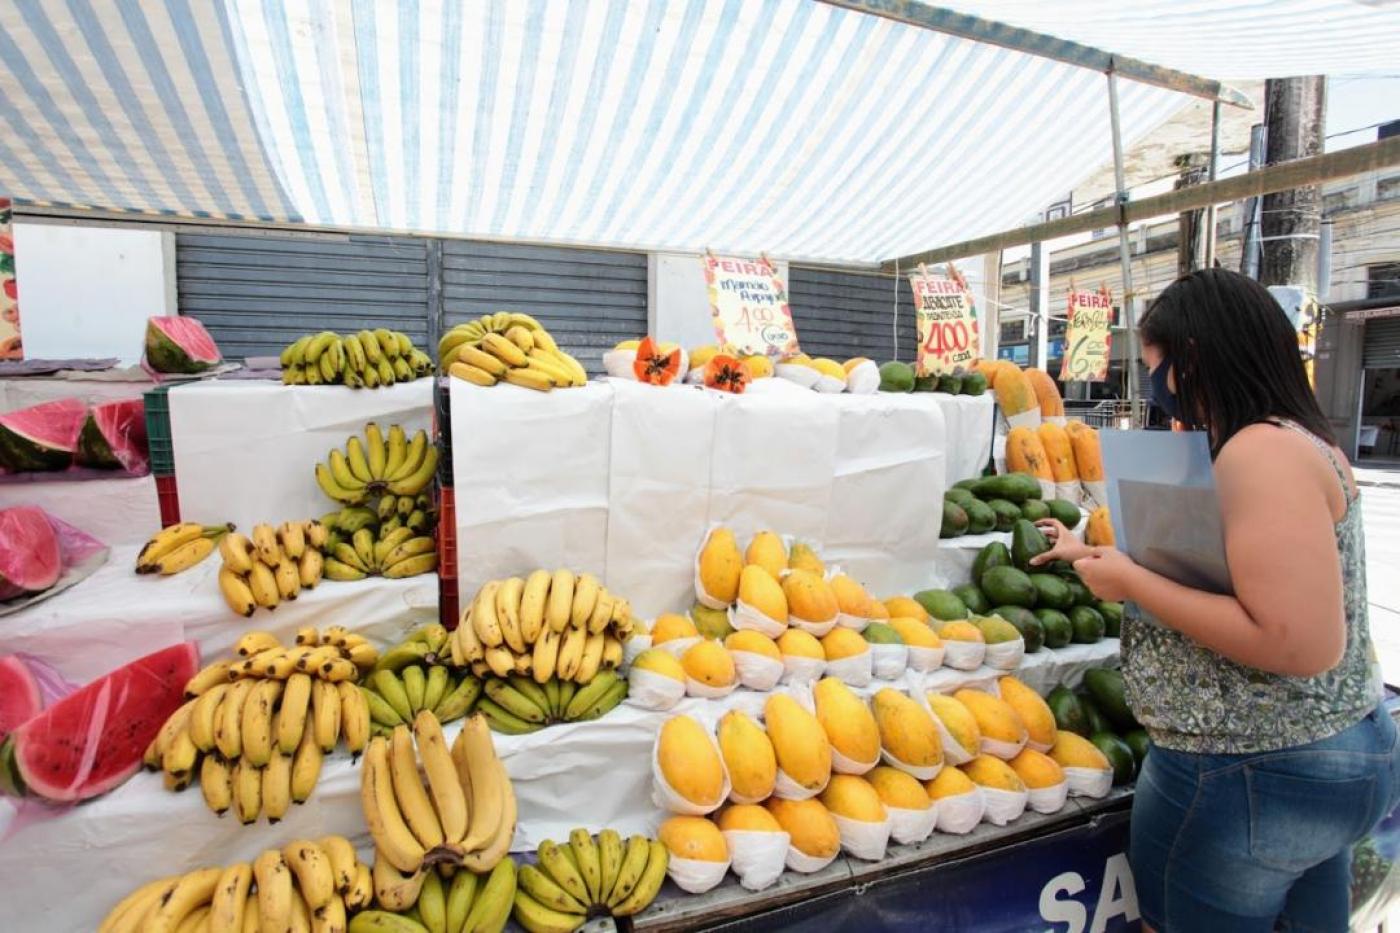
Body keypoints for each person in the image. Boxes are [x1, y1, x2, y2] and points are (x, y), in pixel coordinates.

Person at [1031, 268, 1398, 932]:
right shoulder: (1293, 437)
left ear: (1193, 359)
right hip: (1314, 757)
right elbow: (1238, 580)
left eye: (1156, 369)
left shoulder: (1261, 452)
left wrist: (1132, 582)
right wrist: (1100, 559)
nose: (1156, 389)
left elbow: (1298, 641)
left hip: (1251, 770)